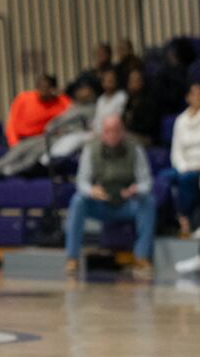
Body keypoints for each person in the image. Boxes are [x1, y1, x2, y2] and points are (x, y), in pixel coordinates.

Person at [64, 115, 155, 272]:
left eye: (116, 130)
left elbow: (146, 182)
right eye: (108, 131)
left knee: (148, 201)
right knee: (78, 200)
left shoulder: (135, 149)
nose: (112, 135)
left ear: (123, 132)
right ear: (102, 133)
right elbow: (81, 182)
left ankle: (142, 257)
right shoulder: (90, 149)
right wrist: (91, 191)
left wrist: (136, 190)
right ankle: (72, 257)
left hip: (127, 203)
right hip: (100, 203)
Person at [0, 81, 94, 178]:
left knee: (35, 152)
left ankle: (10, 171)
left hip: (61, 138)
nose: (81, 93)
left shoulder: (87, 107)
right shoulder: (73, 106)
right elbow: (56, 122)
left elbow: (86, 128)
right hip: (45, 135)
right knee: (21, 147)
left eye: (84, 89)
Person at [167, 81, 200, 234]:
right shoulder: (181, 120)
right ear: (187, 98)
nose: (198, 96)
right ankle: (167, 222)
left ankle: (183, 216)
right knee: (162, 178)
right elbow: (176, 151)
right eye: (194, 93)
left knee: (187, 179)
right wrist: (183, 167)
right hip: (185, 165)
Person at [2, 74, 72, 150]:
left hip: (43, 140)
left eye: (46, 87)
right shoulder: (23, 98)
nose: (42, 91)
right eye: (40, 87)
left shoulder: (60, 101)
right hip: (21, 139)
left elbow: (74, 112)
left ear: (53, 89)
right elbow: (11, 124)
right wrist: (15, 144)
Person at [122, 67, 160, 146]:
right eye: (131, 80)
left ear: (142, 81)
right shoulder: (130, 100)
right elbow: (123, 118)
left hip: (146, 137)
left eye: (136, 80)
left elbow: (149, 126)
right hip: (130, 134)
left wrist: (131, 125)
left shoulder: (150, 100)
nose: (133, 83)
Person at [91, 67, 127, 133]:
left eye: (111, 79)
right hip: (97, 133)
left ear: (116, 81)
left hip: (113, 133)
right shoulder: (100, 99)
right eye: (106, 80)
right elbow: (97, 119)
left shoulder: (122, 96)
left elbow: (117, 118)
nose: (108, 82)